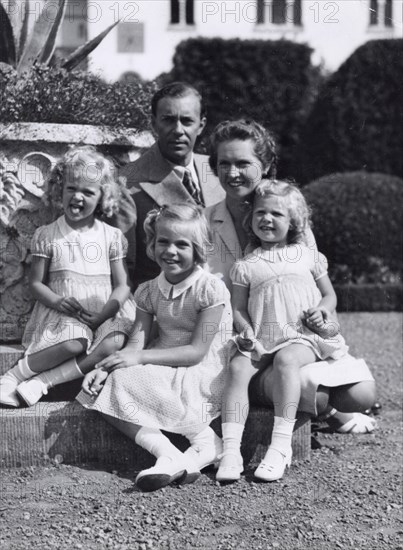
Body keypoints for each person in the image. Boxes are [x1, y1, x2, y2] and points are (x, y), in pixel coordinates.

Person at [205, 119, 376, 441]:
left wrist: (323, 326)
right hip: (236, 347)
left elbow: (316, 293)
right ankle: (317, 409)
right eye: (223, 163)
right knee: (314, 392)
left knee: (358, 393)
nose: (232, 173)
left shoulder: (293, 225)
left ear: (266, 165)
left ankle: (318, 403)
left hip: (293, 342)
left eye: (243, 163)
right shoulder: (204, 222)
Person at [77, 204, 233, 492]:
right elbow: (136, 344)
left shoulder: (210, 289)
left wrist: (138, 357)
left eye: (181, 244)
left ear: (198, 249)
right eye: (163, 241)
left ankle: (205, 441)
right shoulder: (148, 290)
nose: (170, 251)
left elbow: (197, 351)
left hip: (202, 368)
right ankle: (167, 454)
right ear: (152, 242)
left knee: (131, 378)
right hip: (164, 359)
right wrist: (104, 368)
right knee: (103, 387)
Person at [216, 180, 354, 482]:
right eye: (261, 212)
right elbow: (238, 308)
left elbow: (329, 295)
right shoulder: (245, 265)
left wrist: (323, 310)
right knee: (238, 366)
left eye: (277, 214)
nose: (267, 219)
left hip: (301, 335)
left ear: (293, 222)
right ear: (251, 219)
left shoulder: (307, 255)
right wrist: (246, 330)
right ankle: (230, 450)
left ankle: (279, 446)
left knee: (287, 361)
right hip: (263, 335)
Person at [0, 146, 136, 408]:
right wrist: (58, 301)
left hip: (105, 312)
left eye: (88, 191)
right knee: (76, 343)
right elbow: (36, 283)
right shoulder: (48, 234)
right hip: (64, 314)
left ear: (102, 197)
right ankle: (13, 375)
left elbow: (122, 286)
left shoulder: (111, 236)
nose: (78, 197)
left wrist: (105, 313)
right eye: (71, 188)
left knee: (116, 340)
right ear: (59, 190)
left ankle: (42, 382)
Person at [116, 81, 225, 290]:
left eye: (186, 121)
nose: (178, 130)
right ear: (154, 124)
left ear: (201, 125)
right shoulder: (126, 183)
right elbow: (123, 267)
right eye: (168, 120)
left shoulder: (219, 171)